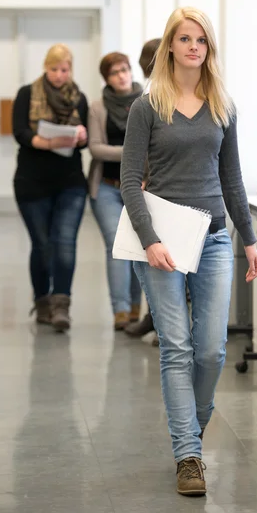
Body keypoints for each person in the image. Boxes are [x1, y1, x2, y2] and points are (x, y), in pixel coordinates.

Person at [121, 7, 257, 496]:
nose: (194, 46)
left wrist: (249, 238)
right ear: (170, 46)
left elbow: (233, 178)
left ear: (209, 48)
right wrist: (150, 240)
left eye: (201, 39)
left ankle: (194, 422)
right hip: (160, 243)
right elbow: (129, 182)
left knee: (211, 350)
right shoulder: (147, 106)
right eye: (184, 38)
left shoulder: (223, 105)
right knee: (176, 349)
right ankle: (188, 455)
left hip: (214, 238)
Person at [12, 43, 88, 332]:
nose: (59, 75)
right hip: (32, 183)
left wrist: (80, 136)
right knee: (42, 246)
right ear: (45, 68)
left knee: (65, 244)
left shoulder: (78, 98)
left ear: (71, 70)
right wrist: (49, 142)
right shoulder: (27, 94)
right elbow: (20, 132)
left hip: (70, 182)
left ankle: (61, 307)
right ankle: (42, 301)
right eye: (54, 69)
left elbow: (88, 137)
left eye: (64, 69)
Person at [88, 53, 143, 331]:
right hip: (108, 189)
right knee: (115, 246)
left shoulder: (146, 101)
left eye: (125, 70)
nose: (122, 76)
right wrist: (131, 152)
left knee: (137, 248)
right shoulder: (98, 107)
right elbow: (95, 148)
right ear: (106, 78)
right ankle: (119, 310)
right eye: (114, 73)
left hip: (140, 189)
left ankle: (136, 307)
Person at [124, 38, 161, 341]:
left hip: (167, 187)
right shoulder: (146, 99)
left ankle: (157, 319)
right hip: (149, 187)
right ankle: (154, 317)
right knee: (150, 254)